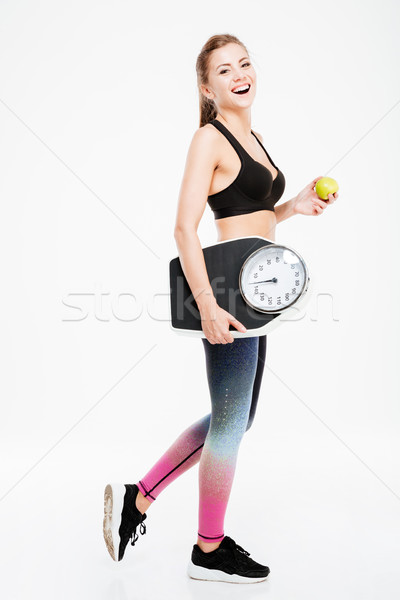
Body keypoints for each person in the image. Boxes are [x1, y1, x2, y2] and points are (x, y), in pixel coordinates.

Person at [103, 33, 338, 584]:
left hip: (255, 287)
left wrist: (293, 208)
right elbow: (185, 227)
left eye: (246, 62)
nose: (240, 73)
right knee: (232, 424)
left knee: (239, 418)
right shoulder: (208, 137)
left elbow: (249, 219)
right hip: (225, 292)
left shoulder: (252, 137)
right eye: (224, 69)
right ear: (207, 88)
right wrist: (207, 304)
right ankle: (208, 550)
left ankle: (138, 498)